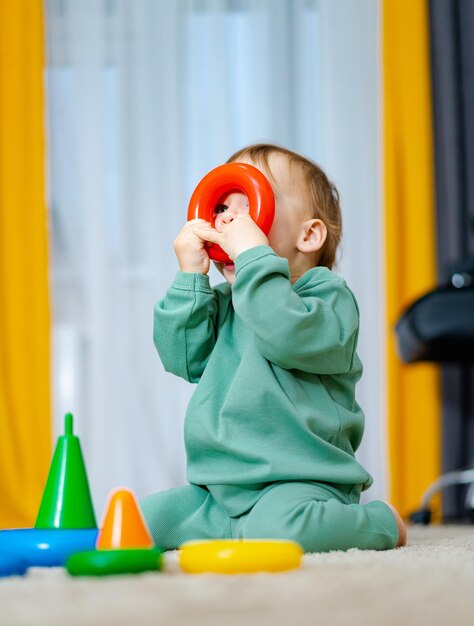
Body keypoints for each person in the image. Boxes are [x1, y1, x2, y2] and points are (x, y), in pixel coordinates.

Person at [141, 143, 407, 552]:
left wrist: (253, 261)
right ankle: (235, 527)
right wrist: (189, 279)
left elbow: (286, 333)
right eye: (221, 208)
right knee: (141, 522)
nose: (228, 220)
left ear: (309, 235)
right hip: (218, 492)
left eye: (247, 205)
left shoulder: (326, 296)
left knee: (280, 528)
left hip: (300, 481)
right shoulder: (230, 302)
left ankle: (379, 521)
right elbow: (182, 359)